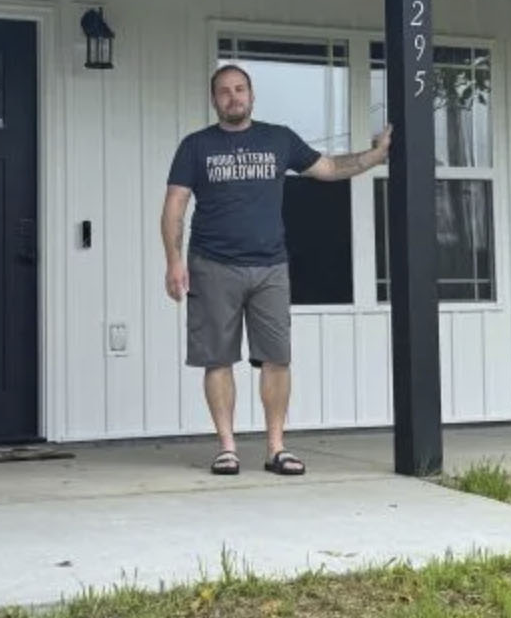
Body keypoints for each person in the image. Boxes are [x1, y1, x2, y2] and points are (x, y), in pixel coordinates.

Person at [161, 63, 392, 477]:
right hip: (212, 266)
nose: (234, 97)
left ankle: (276, 448)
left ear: (251, 96)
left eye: (240, 89)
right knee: (218, 360)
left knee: (277, 359)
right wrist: (174, 261)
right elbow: (175, 205)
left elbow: (328, 169)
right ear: (215, 100)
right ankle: (227, 449)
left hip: (270, 266)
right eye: (225, 91)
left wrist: (374, 156)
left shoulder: (278, 138)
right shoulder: (195, 146)